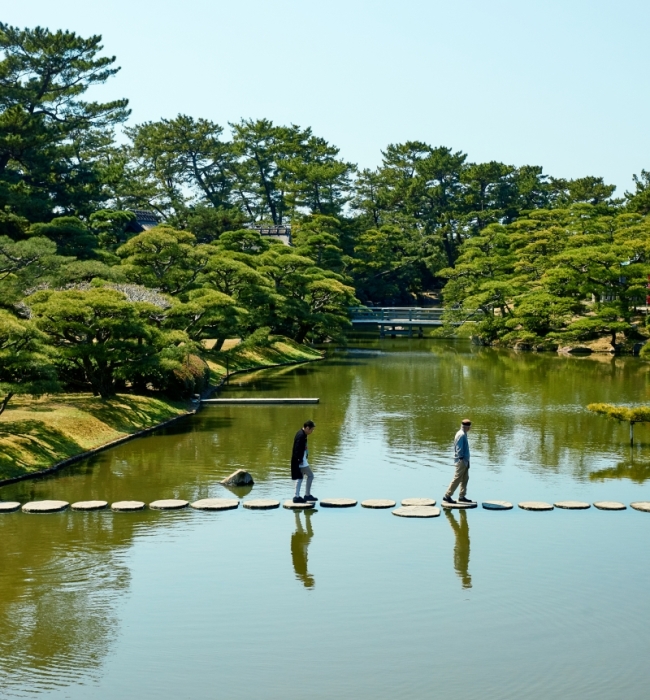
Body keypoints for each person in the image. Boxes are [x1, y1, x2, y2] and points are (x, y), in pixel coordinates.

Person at [443, 418, 475, 504]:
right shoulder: (461, 435)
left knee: (465, 478)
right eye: (470, 427)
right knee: (457, 478)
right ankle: (447, 495)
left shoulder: (463, 433)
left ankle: (462, 496)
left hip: (465, 460)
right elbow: (459, 448)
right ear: (467, 427)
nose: (470, 428)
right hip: (461, 461)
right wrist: (461, 458)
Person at [291, 420, 317, 504]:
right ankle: (307, 495)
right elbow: (297, 449)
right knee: (310, 476)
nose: (312, 431)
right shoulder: (301, 435)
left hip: (301, 460)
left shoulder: (302, 434)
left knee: (300, 478)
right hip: (301, 461)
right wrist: (299, 460)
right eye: (311, 430)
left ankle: (296, 496)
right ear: (307, 428)